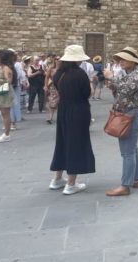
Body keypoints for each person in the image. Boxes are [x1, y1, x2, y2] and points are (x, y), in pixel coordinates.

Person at [49, 45, 95, 195]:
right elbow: (87, 93)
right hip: (78, 109)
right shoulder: (79, 74)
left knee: (62, 142)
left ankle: (56, 179)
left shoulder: (59, 73)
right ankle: (71, 183)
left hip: (63, 109)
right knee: (76, 143)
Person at [103, 47, 138, 196]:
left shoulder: (137, 75)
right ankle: (135, 179)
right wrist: (113, 86)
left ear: (133, 61)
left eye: (123, 59)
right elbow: (122, 92)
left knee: (127, 152)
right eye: (118, 59)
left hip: (130, 115)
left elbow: (126, 90)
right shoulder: (130, 74)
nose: (120, 62)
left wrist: (111, 77)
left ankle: (125, 185)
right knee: (132, 149)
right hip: (130, 113)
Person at [44, 56, 61, 124]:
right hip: (53, 87)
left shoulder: (63, 69)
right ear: (55, 60)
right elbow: (47, 78)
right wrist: (45, 86)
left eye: (60, 59)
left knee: (61, 102)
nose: (58, 61)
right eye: (57, 59)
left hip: (61, 87)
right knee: (52, 102)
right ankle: (50, 118)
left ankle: (61, 117)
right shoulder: (51, 68)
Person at [9, 51, 23, 131]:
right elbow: (20, 75)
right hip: (15, 84)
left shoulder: (14, 64)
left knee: (11, 104)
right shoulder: (17, 64)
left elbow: (19, 74)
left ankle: (12, 122)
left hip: (12, 85)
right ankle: (13, 122)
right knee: (14, 103)